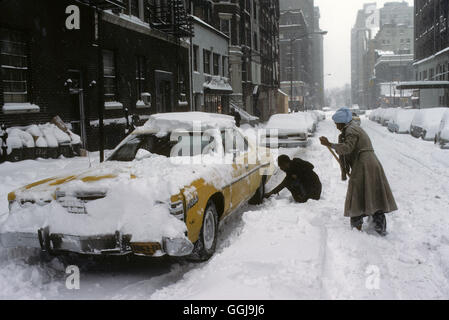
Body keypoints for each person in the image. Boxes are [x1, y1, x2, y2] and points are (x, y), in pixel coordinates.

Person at [319, 107, 397, 236]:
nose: (336, 126)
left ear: (342, 122)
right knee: (373, 193)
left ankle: (357, 228)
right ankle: (378, 226)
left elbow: (347, 148)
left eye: (336, 123)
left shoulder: (351, 130)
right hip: (367, 163)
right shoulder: (350, 129)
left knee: (357, 193)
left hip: (364, 164)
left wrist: (330, 144)